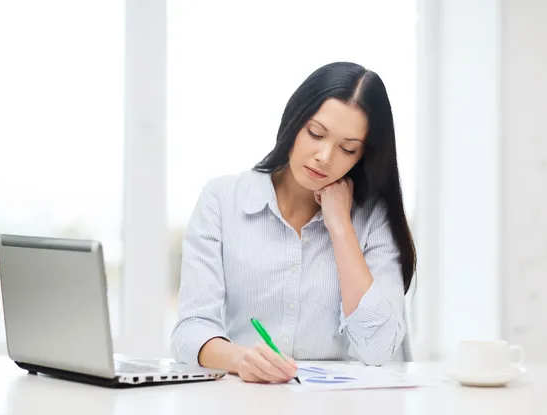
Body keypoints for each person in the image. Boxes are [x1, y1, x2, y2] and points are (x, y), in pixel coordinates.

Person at [170, 61, 417, 384]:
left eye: (347, 148)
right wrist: (242, 359)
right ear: (294, 121)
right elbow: (190, 331)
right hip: (245, 400)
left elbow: (379, 348)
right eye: (315, 133)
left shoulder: (372, 218)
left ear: (362, 156)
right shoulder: (222, 199)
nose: (325, 157)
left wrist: (341, 227)